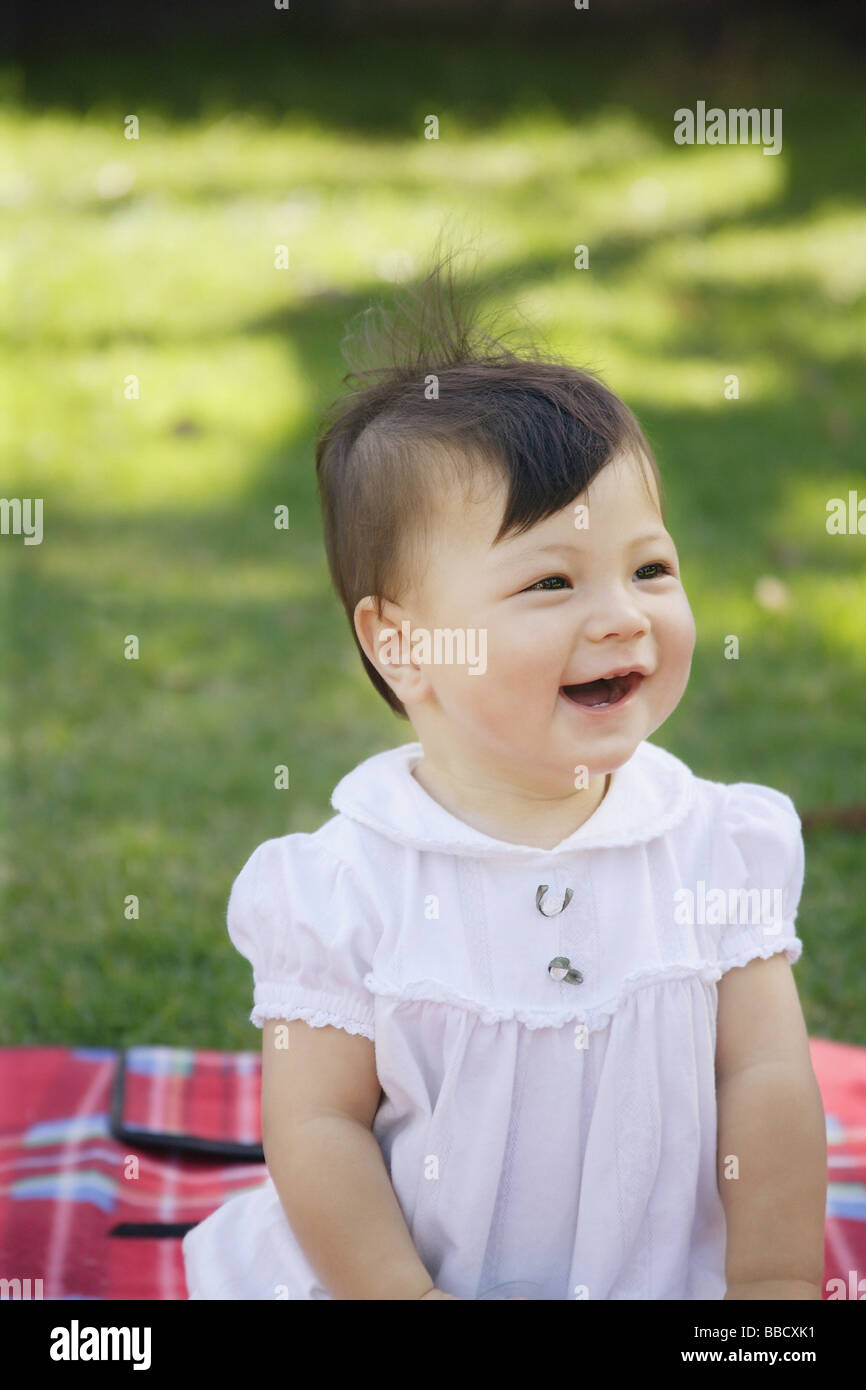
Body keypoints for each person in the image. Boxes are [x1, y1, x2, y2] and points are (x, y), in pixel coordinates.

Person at [182, 249, 827, 1301]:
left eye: (648, 568)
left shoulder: (717, 848)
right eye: (550, 580)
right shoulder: (342, 889)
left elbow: (759, 1079)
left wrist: (768, 1293)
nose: (620, 613)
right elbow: (317, 1125)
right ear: (403, 648)